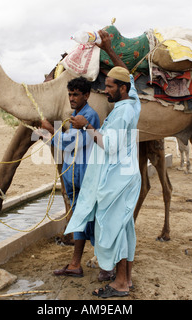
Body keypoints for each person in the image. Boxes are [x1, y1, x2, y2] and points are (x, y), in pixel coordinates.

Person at [66, 30, 142, 298]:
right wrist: (109, 49)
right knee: (125, 229)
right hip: (126, 176)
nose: (105, 89)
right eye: (105, 84)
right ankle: (127, 280)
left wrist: (86, 125)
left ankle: (120, 283)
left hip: (118, 181)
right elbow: (128, 75)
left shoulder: (122, 113)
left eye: (110, 86)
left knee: (115, 230)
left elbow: (109, 145)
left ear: (121, 90)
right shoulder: (133, 101)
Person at [39, 76, 105, 279]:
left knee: (88, 219)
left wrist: (50, 132)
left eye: (76, 94)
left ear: (87, 95)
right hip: (73, 177)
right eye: (70, 94)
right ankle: (77, 263)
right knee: (80, 218)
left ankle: (92, 262)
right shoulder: (75, 115)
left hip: (83, 177)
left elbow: (71, 144)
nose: (72, 98)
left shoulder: (88, 117)